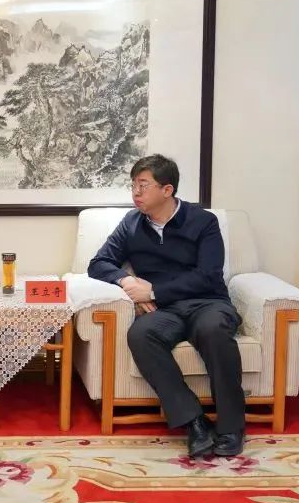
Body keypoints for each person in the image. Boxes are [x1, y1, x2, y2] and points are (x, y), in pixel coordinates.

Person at [88, 154, 245, 457]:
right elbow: (98, 263)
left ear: (167, 190)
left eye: (143, 185)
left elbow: (208, 275)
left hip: (207, 302)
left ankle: (231, 427)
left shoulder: (203, 222)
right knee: (141, 334)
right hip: (165, 312)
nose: (135, 193)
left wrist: (154, 291)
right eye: (133, 185)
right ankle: (194, 421)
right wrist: (127, 281)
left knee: (214, 330)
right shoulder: (132, 223)